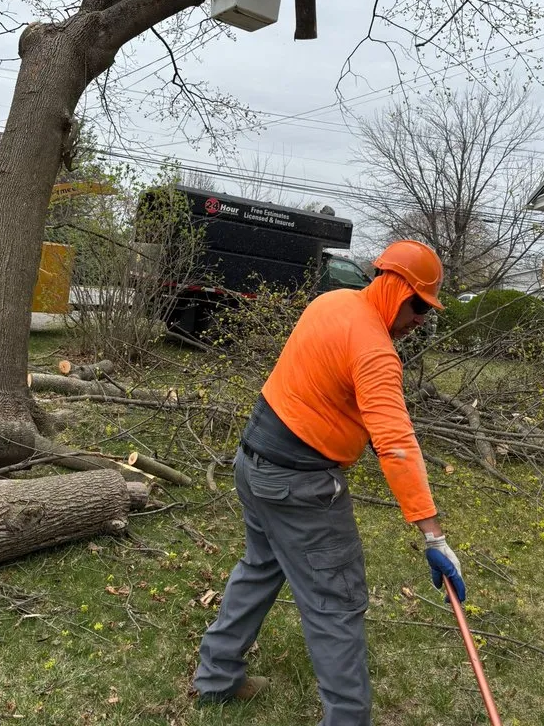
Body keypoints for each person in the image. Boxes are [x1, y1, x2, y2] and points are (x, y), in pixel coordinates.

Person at [193, 240, 466, 725]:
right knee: (336, 602)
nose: (421, 319)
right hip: (298, 486)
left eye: (429, 310)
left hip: (253, 462)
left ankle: (216, 678)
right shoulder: (376, 351)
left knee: (261, 565)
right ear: (397, 287)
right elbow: (397, 443)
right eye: (419, 305)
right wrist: (434, 535)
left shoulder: (331, 302)